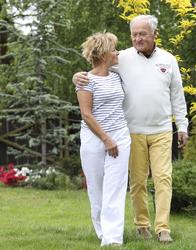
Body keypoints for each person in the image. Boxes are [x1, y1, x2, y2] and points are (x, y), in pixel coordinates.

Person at [74, 15, 188, 243]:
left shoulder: (169, 59)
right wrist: (76, 76)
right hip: (131, 130)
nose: (137, 38)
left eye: (142, 34)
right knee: (137, 181)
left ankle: (163, 228)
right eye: (134, 34)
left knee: (163, 178)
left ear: (154, 34)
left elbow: (177, 95)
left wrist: (182, 125)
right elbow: (97, 72)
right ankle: (142, 225)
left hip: (162, 129)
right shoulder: (121, 58)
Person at [76, 32, 131, 247]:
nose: (117, 52)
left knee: (115, 188)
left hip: (120, 136)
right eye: (114, 49)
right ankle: (102, 232)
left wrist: (113, 139)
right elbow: (86, 114)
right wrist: (106, 140)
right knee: (97, 189)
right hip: (94, 139)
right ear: (103, 54)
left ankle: (112, 239)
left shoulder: (118, 75)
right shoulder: (84, 80)